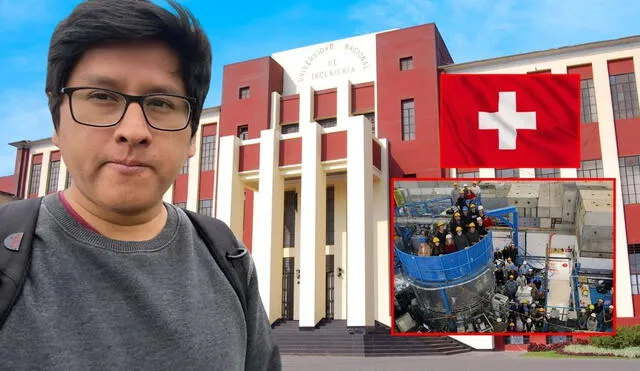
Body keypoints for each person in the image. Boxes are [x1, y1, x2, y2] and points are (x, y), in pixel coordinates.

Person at [0, 1, 281, 370]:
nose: (133, 131)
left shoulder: (227, 259)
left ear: (193, 135)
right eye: (102, 97)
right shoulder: (8, 255)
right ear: (57, 124)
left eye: (162, 102)